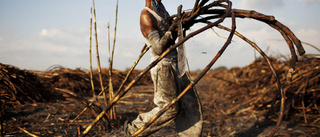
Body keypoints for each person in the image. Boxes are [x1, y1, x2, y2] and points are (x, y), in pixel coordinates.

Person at [124, 0, 203, 136]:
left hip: (175, 62)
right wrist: (172, 29)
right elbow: (159, 47)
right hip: (163, 66)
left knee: (188, 102)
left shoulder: (161, 9)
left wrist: (182, 24)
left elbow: (170, 32)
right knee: (170, 108)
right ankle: (133, 130)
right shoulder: (146, 16)